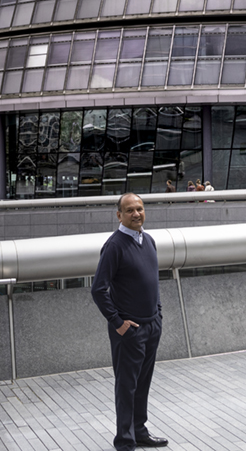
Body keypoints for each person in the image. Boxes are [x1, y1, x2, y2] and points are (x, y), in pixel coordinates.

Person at [91, 193, 168, 451]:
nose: (136, 214)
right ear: (119, 215)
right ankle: (124, 441)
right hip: (129, 331)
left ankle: (139, 431)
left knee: (143, 383)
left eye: (140, 208)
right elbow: (98, 289)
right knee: (127, 385)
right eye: (130, 210)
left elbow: (152, 281)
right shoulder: (114, 246)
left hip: (151, 325)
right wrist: (118, 322)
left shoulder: (149, 241)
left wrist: (157, 313)